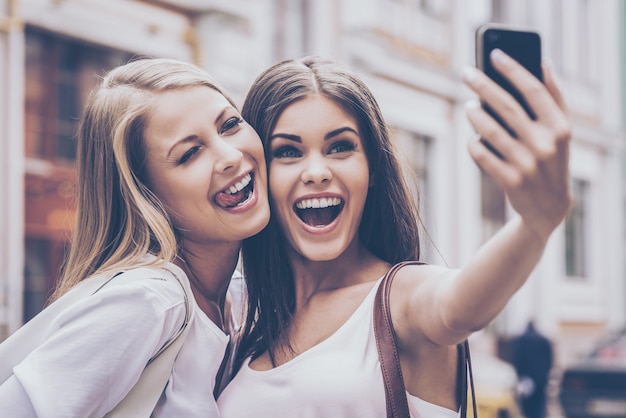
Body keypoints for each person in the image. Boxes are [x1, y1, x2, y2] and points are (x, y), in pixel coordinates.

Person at [217, 52, 571, 417]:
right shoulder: (245, 321)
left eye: (340, 147)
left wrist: (534, 225)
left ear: (371, 168)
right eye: (288, 151)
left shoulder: (400, 297)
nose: (317, 171)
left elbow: (460, 306)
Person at [0, 57, 270, 417]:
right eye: (189, 153)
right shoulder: (148, 302)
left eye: (230, 124)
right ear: (143, 193)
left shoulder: (238, 300)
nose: (230, 156)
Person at [512, 321, 554, 418]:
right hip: (541, 379)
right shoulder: (544, 340)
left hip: (526, 378)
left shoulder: (521, 340)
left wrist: (519, 375)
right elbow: (549, 359)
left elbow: (517, 358)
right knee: (539, 408)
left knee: (527, 408)